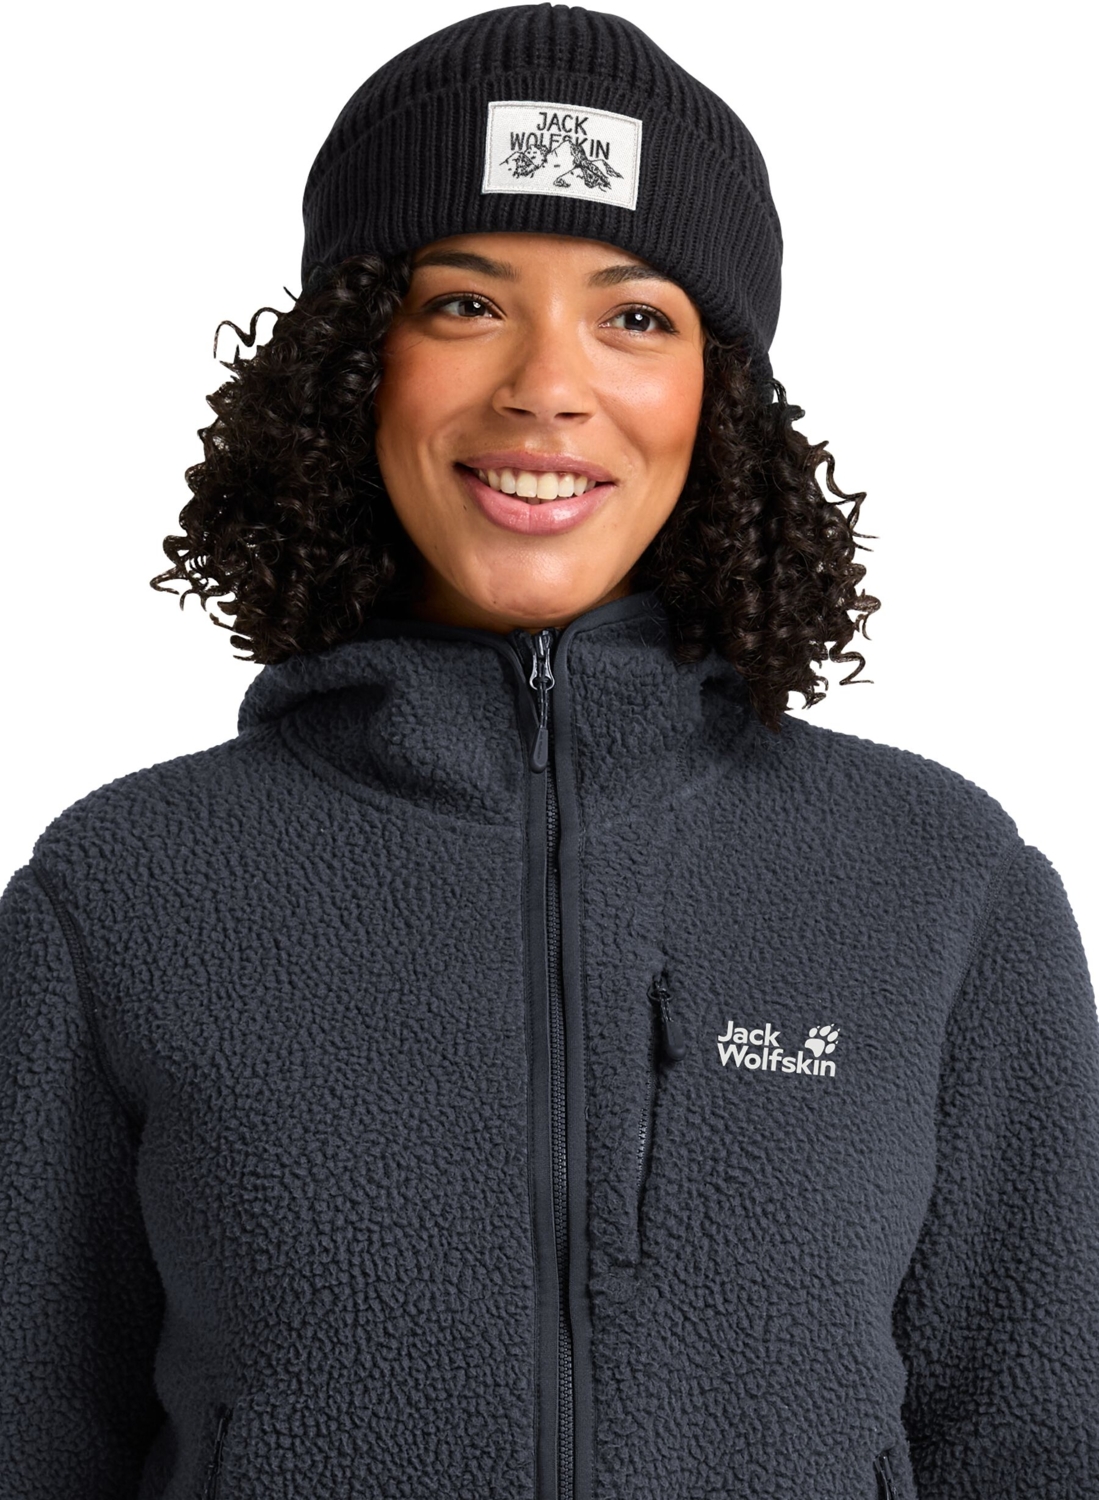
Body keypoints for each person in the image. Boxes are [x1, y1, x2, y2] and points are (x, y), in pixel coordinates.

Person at [1, 5, 1096, 1498]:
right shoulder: (120, 892)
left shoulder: (943, 887)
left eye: (635, 318)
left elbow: (1044, 1443)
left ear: (720, 398)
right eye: (465, 303)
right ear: (350, 363)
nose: (545, 386)